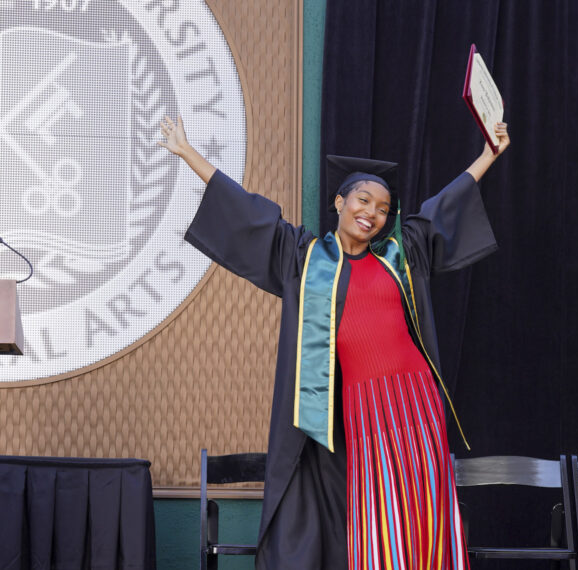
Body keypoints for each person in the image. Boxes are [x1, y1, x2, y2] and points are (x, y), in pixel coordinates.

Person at [160, 115, 510, 569]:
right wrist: (188, 153)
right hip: (361, 407)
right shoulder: (305, 258)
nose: (373, 213)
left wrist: (487, 155)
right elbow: (247, 211)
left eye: (384, 208)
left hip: (416, 398)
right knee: (377, 516)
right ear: (340, 202)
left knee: (424, 506)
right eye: (364, 200)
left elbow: (444, 206)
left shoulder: (402, 253)